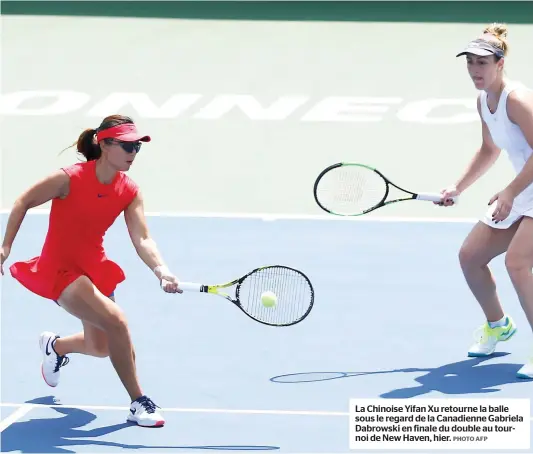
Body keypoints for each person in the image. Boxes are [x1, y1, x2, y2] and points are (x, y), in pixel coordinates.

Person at [0, 114, 183, 426]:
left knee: (100, 347)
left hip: (94, 267)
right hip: (60, 269)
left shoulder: (129, 190)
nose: (132, 153)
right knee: (118, 322)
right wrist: (5, 247)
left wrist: (161, 270)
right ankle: (139, 401)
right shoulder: (69, 179)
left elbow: (142, 238)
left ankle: (54, 346)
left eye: (136, 147)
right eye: (126, 145)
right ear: (105, 144)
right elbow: (22, 202)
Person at [439, 23, 533, 379]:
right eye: (470, 63)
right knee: (470, 257)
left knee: (517, 263)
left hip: (524, 189)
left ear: (500, 63)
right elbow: (489, 149)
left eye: (482, 63)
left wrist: (509, 191)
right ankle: (498, 325)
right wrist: (457, 187)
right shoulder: (483, 100)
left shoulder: (519, 100)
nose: (475, 71)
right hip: (525, 191)